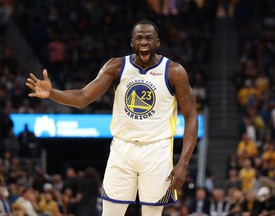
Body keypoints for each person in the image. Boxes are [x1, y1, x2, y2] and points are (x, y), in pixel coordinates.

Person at [26, 19, 198, 216]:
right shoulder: (117, 66)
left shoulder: (174, 71)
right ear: (132, 42)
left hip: (157, 149)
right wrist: (51, 93)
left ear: (157, 42)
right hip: (121, 148)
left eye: (149, 38)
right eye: (139, 38)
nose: (144, 42)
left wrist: (184, 162)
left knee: (152, 213)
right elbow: (83, 97)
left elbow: (191, 116)